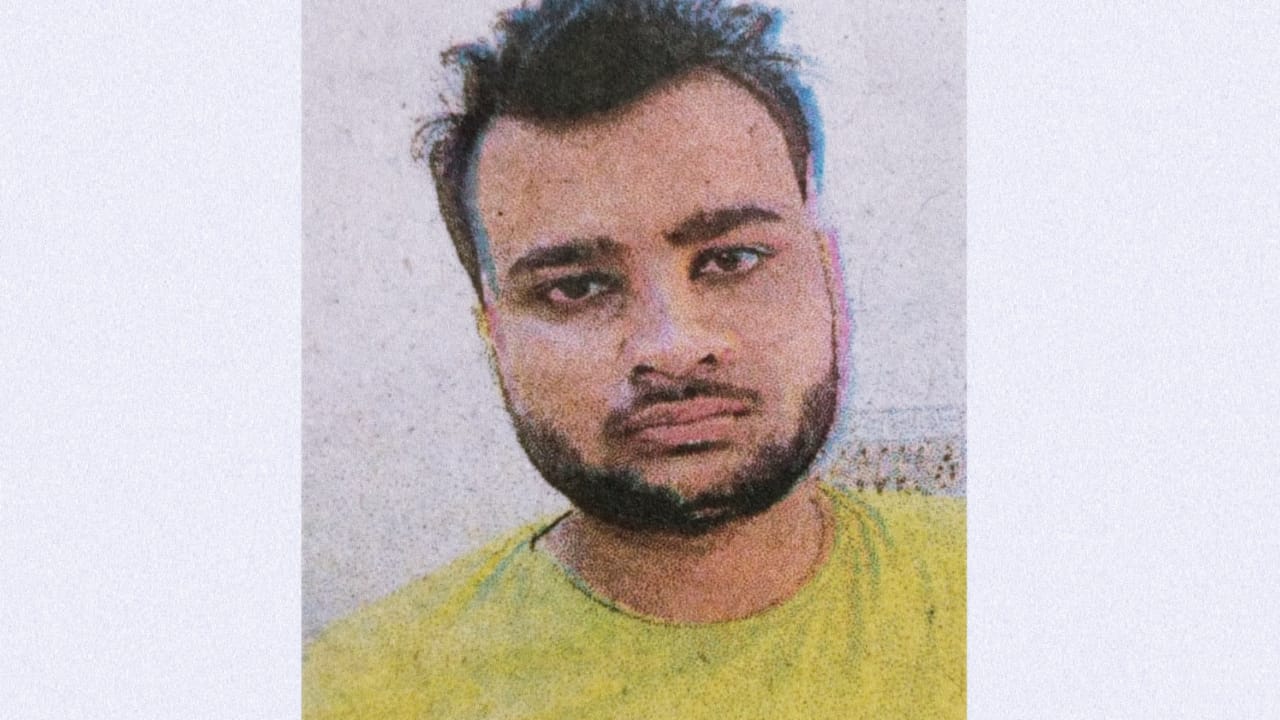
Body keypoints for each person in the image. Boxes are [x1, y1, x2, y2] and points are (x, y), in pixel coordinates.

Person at [303, 1, 964, 717]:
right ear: (495, 336)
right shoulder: (355, 692)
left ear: (828, 275)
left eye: (732, 259)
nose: (671, 346)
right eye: (576, 288)